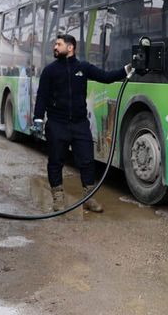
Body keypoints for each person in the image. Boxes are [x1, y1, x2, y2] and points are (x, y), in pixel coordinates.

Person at [32, 34, 132, 213]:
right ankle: (58, 198)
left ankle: (88, 197)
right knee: (55, 161)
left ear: (70, 47)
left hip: (79, 124)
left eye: (59, 44)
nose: (55, 47)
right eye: (55, 44)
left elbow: (106, 77)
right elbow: (42, 96)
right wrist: (38, 119)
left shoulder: (83, 67)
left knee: (87, 161)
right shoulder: (50, 71)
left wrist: (127, 70)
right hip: (57, 124)